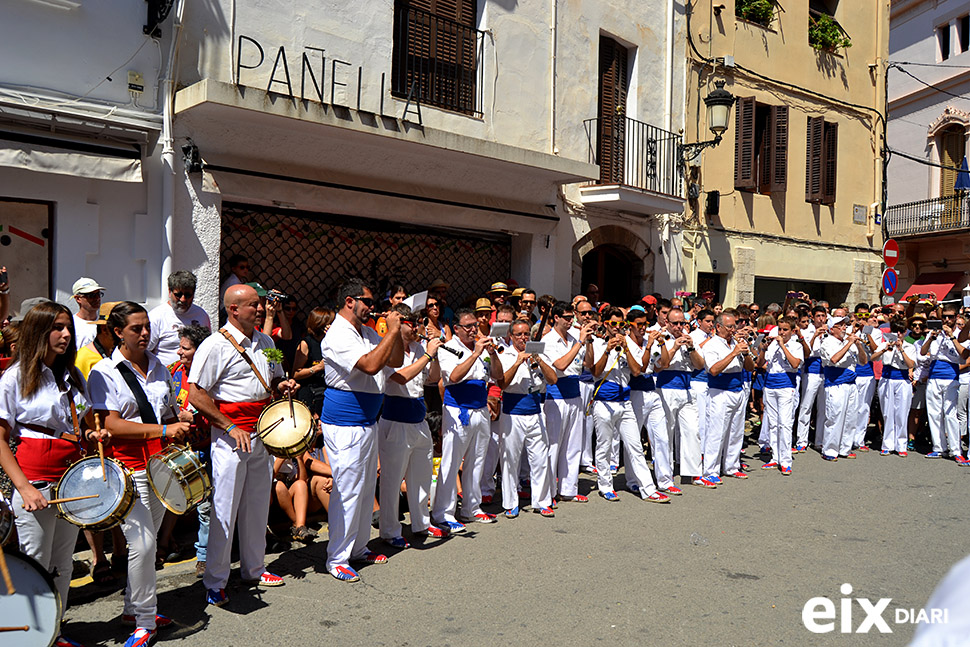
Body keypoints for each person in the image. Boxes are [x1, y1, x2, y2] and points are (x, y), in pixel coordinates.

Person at [0, 301, 104, 647]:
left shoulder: (71, 375)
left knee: (62, 565)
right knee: (34, 566)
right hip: (36, 483)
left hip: (71, 481)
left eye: (68, 328)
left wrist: (91, 435)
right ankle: (24, 638)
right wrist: (24, 486)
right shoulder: (14, 377)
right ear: (38, 332)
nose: (65, 334)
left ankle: (53, 632)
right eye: (57, 327)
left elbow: (76, 427)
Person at [87, 301, 191, 647]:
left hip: (160, 465)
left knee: (147, 543)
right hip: (129, 468)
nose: (145, 333)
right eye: (136, 328)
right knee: (143, 544)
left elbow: (168, 409)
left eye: (146, 326)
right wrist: (163, 430)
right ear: (118, 332)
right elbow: (112, 424)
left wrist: (182, 421)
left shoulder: (159, 366)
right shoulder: (104, 372)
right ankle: (146, 621)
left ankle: (134, 608)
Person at [188, 283, 297, 605]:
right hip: (230, 438)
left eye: (260, 304)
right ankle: (216, 579)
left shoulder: (265, 341)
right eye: (253, 305)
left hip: (263, 433)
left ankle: (254, 567)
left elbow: (272, 378)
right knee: (225, 508)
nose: (260, 309)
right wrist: (230, 426)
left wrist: (282, 384)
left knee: (257, 503)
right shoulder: (213, 345)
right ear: (233, 310)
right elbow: (197, 394)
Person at [319, 278, 403, 582]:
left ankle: (357, 546)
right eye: (367, 301)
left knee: (367, 487)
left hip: (367, 421)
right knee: (349, 489)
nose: (371, 308)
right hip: (345, 423)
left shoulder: (367, 331)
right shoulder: (338, 334)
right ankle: (337, 557)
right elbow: (368, 365)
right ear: (349, 301)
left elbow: (395, 360)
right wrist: (392, 331)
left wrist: (398, 333)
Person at [378, 303, 448, 548]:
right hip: (396, 419)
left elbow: (433, 378)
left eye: (418, 322)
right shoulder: (386, 347)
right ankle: (389, 531)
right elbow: (399, 377)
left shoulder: (420, 347)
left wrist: (435, 355)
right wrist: (428, 355)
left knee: (421, 476)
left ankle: (421, 523)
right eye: (412, 322)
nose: (418, 327)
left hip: (419, 419)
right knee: (392, 480)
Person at [588, 307, 669, 503]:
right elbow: (595, 372)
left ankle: (648, 489)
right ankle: (605, 485)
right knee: (604, 446)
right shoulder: (597, 344)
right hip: (604, 402)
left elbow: (636, 371)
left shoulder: (628, 344)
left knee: (635, 446)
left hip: (624, 402)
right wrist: (608, 350)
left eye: (621, 324)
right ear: (606, 324)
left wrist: (625, 348)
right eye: (614, 324)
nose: (617, 328)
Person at [433, 307, 504, 531]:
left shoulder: (482, 347)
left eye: (475, 325)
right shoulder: (448, 347)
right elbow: (453, 377)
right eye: (468, 326)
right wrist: (474, 354)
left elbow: (499, 375)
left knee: (477, 462)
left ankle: (471, 508)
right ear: (456, 328)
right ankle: (443, 513)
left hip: (480, 409)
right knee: (452, 461)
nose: (474, 330)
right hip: (458, 410)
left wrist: (492, 354)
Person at [498, 320, 557, 517]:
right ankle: (510, 502)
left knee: (540, 459)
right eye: (519, 335)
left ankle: (541, 501)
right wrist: (517, 362)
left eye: (526, 334)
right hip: (513, 413)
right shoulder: (504, 354)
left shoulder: (538, 352)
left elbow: (553, 379)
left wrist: (538, 360)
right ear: (511, 336)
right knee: (510, 460)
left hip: (535, 411)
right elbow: (503, 383)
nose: (523, 338)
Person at [167, 324, 212, 577]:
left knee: (205, 507)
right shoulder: (172, 371)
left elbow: (218, 412)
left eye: (185, 348)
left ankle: (204, 555)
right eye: (180, 347)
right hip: (175, 450)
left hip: (203, 450)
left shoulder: (210, 376)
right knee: (171, 501)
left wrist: (195, 417)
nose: (179, 353)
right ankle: (166, 543)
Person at [541, 301, 593, 503]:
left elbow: (588, 364)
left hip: (575, 394)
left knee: (573, 445)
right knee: (554, 445)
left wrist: (587, 342)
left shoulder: (574, 338)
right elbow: (561, 365)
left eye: (572, 317)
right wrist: (580, 342)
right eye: (567, 317)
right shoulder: (549, 340)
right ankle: (549, 491)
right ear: (556, 318)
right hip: (556, 396)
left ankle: (568, 489)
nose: (572, 321)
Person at [626, 306, 678, 494]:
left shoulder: (651, 340)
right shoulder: (626, 342)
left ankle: (665, 479)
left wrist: (662, 343)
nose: (642, 328)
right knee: (634, 438)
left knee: (662, 436)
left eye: (645, 324)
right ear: (630, 325)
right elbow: (638, 369)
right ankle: (632, 479)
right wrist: (649, 345)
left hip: (652, 391)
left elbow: (662, 365)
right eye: (639, 324)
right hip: (635, 392)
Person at [657, 308, 709, 488]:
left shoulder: (689, 338)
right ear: (667, 323)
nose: (679, 327)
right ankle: (665, 475)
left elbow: (700, 365)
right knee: (666, 433)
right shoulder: (661, 338)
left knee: (692, 430)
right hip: (666, 387)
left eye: (682, 323)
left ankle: (694, 473)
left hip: (687, 387)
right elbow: (660, 365)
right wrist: (675, 346)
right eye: (675, 323)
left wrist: (691, 347)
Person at [702, 312, 755, 482]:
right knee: (716, 432)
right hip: (719, 392)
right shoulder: (711, 345)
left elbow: (750, 367)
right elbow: (714, 370)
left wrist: (745, 352)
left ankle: (732, 466)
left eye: (735, 325)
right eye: (730, 326)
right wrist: (733, 353)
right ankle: (711, 470)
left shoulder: (736, 343)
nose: (734, 329)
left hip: (737, 390)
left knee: (736, 431)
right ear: (719, 327)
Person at [920, 306, 969, 459]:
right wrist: (932, 337)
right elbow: (923, 352)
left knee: (950, 414)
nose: (947, 320)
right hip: (934, 376)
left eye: (951, 317)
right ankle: (939, 447)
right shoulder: (935, 333)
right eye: (945, 317)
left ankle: (956, 450)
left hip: (950, 377)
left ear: (956, 317)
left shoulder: (961, 335)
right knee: (934, 413)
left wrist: (951, 337)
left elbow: (963, 355)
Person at [819, 311, 868, 461]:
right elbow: (834, 359)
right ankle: (830, 449)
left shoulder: (848, 342)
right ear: (831, 328)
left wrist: (858, 346)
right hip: (836, 384)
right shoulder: (827, 342)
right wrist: (849, 343)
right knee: (835, 417)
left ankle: (845, 448)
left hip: (851, 383)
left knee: (850, 418)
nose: (843, 328)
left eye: (845, 325)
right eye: (839, 325)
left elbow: (864, 361)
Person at [757, 317, 803, 475]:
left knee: (784, 423)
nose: (782, 332)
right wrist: (763, 348)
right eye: (780, 329)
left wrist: (783, 345)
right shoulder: (772, 345)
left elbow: (795, 364)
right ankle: (775, 457)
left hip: (786, 386)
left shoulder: (796, 345)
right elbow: (760, 363)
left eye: (785, 330)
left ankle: (785, 460)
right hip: (770, 385)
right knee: (773, 423)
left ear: (792, 331)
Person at [870, 319, 916, 456]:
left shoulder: (909, 347)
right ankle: (887, 444)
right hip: (887, 379)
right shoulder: (885, 345)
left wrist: (901, 349)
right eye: (896, 331)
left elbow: (910, 364)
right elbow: (873, 358)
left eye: (901, 332)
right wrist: (885, 349)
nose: (899, 334)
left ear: (905, 333)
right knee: (887, 412)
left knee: (902, 413)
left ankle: (901, 445)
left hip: (902, 380)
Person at [147, 271, 211, 366]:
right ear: (170, 292)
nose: (183, 299)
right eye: (178, 295)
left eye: (188, 295)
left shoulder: (201, 315)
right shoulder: (156, 316)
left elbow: (207, 347)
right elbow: (146, 351)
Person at [795, 305, 829, 452]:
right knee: (806, 406)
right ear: (813, 317)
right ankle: (802, 440)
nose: (821, 319)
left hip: (826, 372)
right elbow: (806, 352)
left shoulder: (830, 330)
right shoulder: (806, 331)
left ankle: (819, 440)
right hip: (811, 371)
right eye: (818, 316)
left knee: (823, 408)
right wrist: (815, 335)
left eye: (823, 316)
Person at [293, 307, 334, 417]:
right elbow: (296, 374)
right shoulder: (307, 343)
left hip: (327, 393)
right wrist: (317, 368)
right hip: (311, 394)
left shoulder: (333, 342)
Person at [72, 277, 105, 350]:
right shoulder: (71, 325)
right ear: (78, 298)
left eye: (98, 294)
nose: (97, 298)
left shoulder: (105, 323)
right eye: (91, 295)